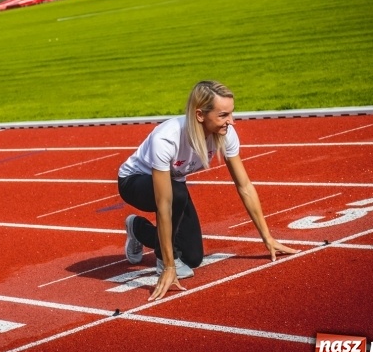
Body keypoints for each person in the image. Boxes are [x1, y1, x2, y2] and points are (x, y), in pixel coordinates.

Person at [118, 80, 299, 301]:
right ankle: (164, 258)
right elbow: (163, 203)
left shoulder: (226, 133)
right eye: (223, 115)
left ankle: (137, 228)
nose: (231, 121)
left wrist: (267, 238)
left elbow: (244, 185)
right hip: (134, 182)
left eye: (231, 113)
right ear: (200, 115)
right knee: (177, 196)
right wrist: (168, 264)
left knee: (193, 257)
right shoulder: (166, 137)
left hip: (174, 186)